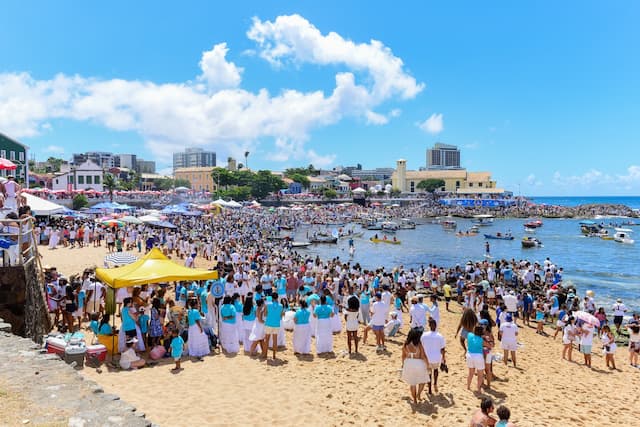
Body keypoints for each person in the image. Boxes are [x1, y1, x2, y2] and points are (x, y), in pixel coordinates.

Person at [401, 327, 430, 404]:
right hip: (418, 364)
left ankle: (414, 400)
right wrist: (428, 365)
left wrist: (403, 365)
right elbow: (424, 356)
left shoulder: (405, 344)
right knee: (423, 381)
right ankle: (418, 395)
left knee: (412, 383)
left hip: (408, 363)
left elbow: (403, 356)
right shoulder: (418, 344)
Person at [421, 318, 446, 394]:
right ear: (436, 326)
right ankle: (435, 383)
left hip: (427, 358)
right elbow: (443, 349)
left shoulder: (424, 335)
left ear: (429, 326)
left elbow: (421, 346)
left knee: (429, 373)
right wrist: (443, 359)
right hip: (436, 358)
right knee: (435, 370)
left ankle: (429, 389)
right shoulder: (440, 336)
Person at [466, 325, 485, 393]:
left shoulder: (469, 335)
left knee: (471, 373)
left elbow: (471, 331)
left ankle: (468, 386)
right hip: (478, 356)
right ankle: (478, 389)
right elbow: (488, 345)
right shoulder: (481, 339)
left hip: (469, 355)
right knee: (480, 374)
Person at [264, 295, 284, 359]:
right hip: (276, 324)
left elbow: (265, 314)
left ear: (272, 298)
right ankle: (274, 355)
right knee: (275, 340)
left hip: (268, 323)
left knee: (267, 339)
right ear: (277, 298)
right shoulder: (281, 306)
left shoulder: (267, 305)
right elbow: (281, 316)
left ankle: (265, 354)